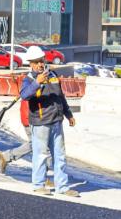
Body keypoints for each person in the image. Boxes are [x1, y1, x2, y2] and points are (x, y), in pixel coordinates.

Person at [20, 45, 79, 197]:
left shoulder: (53, 75)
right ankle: (38, 185)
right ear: (31, 64)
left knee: (60, 155)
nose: (40, 64)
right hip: (40, 123)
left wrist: (68, 114)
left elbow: (61, 96)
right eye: (36, 62)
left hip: (56, 121)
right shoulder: (29, 79)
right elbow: (25, 95)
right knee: (40, 155)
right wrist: (37, 83)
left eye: (41, 61)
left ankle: (62, 186)